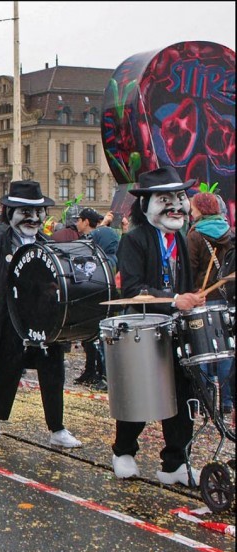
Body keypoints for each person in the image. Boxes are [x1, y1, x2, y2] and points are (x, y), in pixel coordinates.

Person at [112, 166, 205, 485]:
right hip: (143, 331)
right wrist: (175, 298)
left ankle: (175, 461)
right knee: (140, 394)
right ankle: (123, 450)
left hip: (176, 331)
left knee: (182, 393)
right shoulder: (134, 240)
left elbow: (185, 284)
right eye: (167, 199)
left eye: (180, 198)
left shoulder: (179, 237)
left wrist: (192, 299)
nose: (176, 205)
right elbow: (132, 289)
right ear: (147, 204)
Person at [0, 180, 82, 448]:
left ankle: (57, 428)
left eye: (38, 213)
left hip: (44, 322)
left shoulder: (49, 244)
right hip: (12, 319)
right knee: (8, 371)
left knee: (53, 371)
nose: (33, 219)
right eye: (26, 213)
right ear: (10, 213)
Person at [187, 191, 234, 414]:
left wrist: (190, 292)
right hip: (226, 297)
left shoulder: (195, 235)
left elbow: (190, 268)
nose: (190, 211)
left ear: (201, 209)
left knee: (203, 349)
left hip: (203, 297)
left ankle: (204, 400)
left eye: (193, 207)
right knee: (225, 351)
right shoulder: (229, 232)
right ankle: (226, 401)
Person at [73, 207, 120, 390]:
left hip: (99, 307)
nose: (77, 223)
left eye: (79, 219)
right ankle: (94, 372)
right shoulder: (110, 258)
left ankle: (103, 375)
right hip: (98, 307)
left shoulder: (105, 261)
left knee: (101, 342)